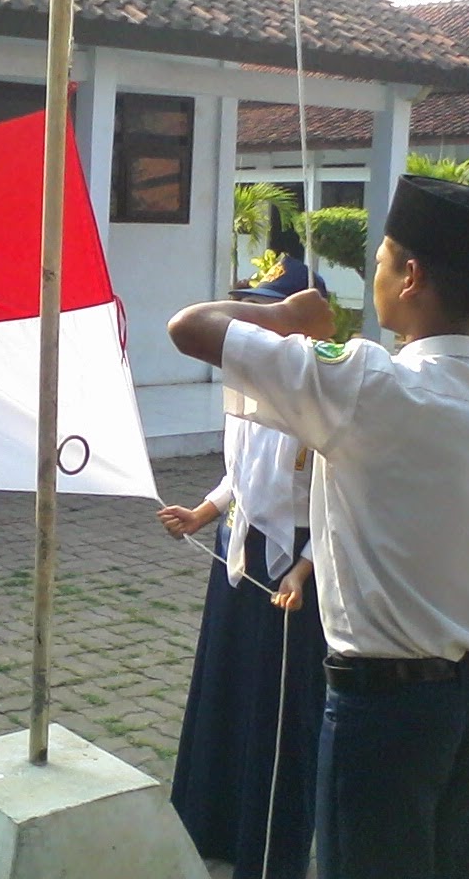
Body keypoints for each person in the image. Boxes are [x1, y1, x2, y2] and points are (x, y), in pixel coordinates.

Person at [166, 175, 469, 879]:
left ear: (412, 277)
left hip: (385, 707)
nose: (372, 273)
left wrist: (284, 314)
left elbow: (189, 327)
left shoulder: (366, 383)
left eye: (380, 260)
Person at [159, 255, 327, 879]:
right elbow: (242, 471)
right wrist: (204, 512)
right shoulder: (248, 388)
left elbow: (347, 502)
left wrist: (306, 570)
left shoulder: (325, 392)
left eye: (269, 313)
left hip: (297, 572)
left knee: (281, 712)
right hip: (240, 557)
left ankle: (271, 845)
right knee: (225, 690)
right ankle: (212, 820)